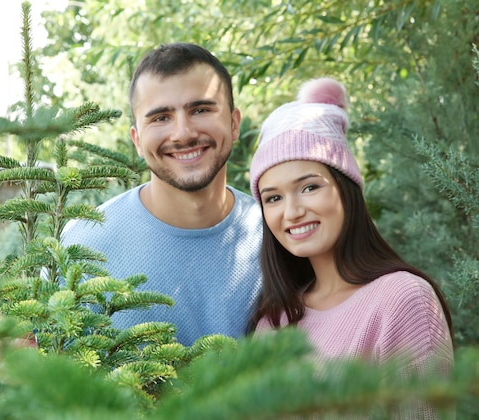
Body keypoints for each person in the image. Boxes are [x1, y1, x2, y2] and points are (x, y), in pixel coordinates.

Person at [249, 77, 453, 412]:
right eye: (273, 197)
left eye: (310, 187)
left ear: (347, 188)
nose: (292, 211)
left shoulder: (402, 299)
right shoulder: (274, 320)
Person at [60, 42, 263, 347]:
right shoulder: (84, 244)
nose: (183, 133)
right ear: (137, 140)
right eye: (160, 118)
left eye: (201, 110)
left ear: (234, 123)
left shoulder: (277, 235)